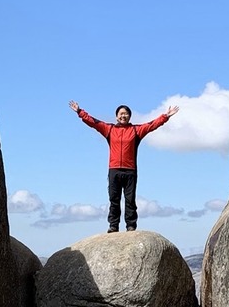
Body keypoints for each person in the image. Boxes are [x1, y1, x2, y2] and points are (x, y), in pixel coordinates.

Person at [69, 100, 179, 233]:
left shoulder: (136, 130)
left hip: (130, 170)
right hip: (114, 170)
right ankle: (113, 225)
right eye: (121, 114)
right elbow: (94, 122)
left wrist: (165, 116)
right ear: (116, 116)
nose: (123, 116)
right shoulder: (109, 129)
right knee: (114, 199)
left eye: (126, 114)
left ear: (129, 116)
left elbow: (151, 125)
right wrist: (80, 112)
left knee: (130, 200)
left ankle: (131, 226)